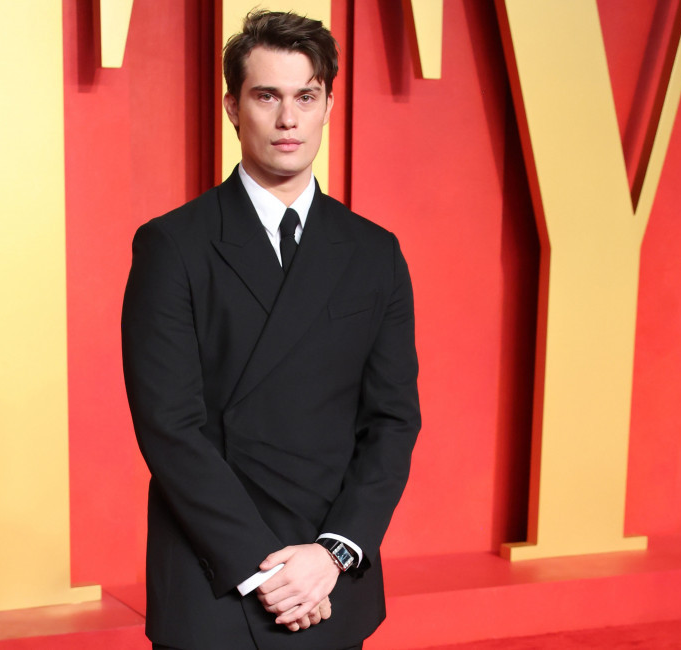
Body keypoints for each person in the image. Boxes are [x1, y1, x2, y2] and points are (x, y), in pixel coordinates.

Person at [121, 10, 420, 650]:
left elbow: (392, 421)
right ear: (233, 107)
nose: (289, 119)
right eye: (267, 96)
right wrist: (267, 571)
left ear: (328, 106)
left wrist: (334, 552)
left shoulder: (375, 252)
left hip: (330, 580)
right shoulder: (173, 246)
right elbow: (169, 427)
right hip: (215, 576)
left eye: (306, 96)